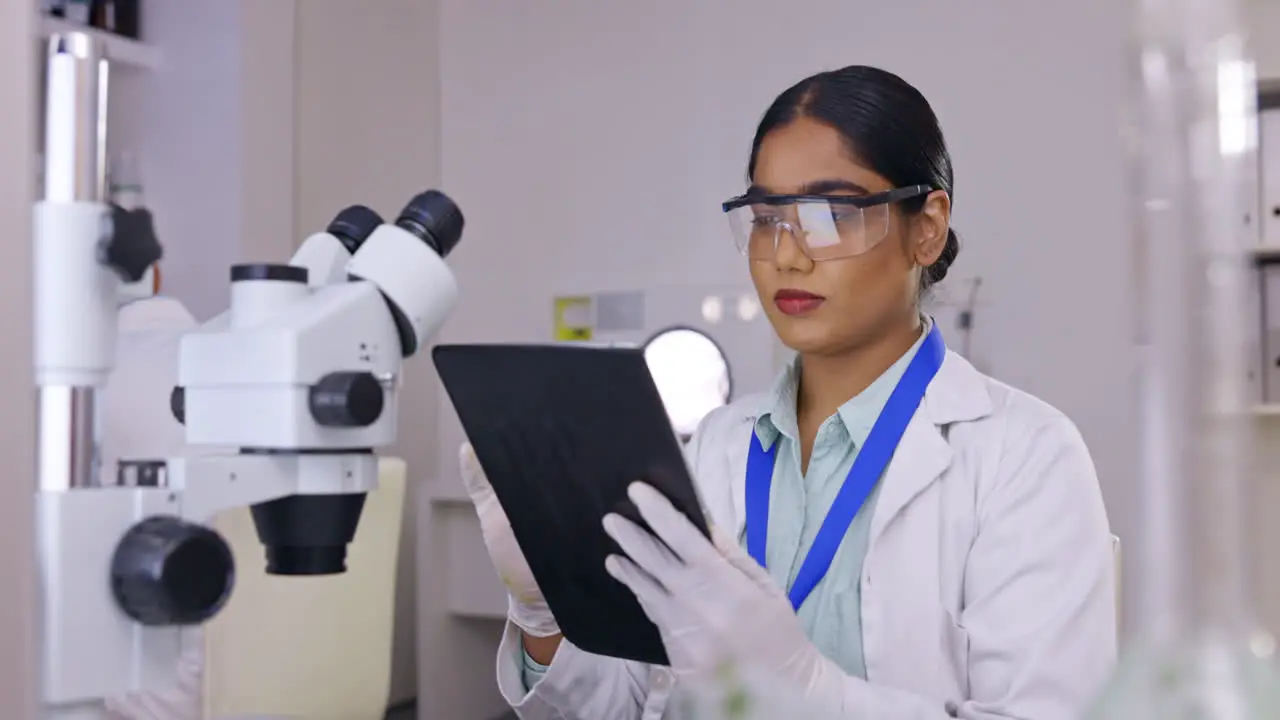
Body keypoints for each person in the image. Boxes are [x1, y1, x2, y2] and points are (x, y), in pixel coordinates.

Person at [462, 65, 1116, 718]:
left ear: (927, 228)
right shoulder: (716, 444)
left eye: (832, 213)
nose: (787, 255)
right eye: (767, 217)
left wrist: (808, 694)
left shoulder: (1025, 456)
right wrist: (547, 615)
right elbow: (633, 704)